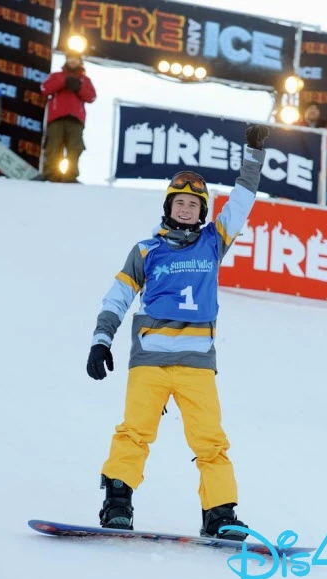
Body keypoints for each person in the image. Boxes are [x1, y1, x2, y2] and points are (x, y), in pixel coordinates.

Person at [86, 124, 269, 540]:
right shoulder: (146, 250)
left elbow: (242, 201)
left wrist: (253, 156)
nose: (186, 209)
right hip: (149, 362)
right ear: (168, 207)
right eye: (179, 202)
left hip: (196, 365)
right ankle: (117, 504)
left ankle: (219, 514)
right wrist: (101, 340)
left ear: (203, 212)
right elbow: (118, 296)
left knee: (211, 441)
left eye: (193, 204)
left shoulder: (213, 242)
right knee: (134, 432)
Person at [40, 49, 96, 182]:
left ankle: (70, 177)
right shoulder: (57, 76)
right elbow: (44, 89)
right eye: (70, 58)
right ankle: (50, 175)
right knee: (53, 146)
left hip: (76, 120)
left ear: (80, 61)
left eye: (75, 58)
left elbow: (91, 97)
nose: (72, 61)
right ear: (66, 59)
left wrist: (79, 88)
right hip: (56, 118)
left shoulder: (85, 80)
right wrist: (63, 82)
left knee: (75, 148)